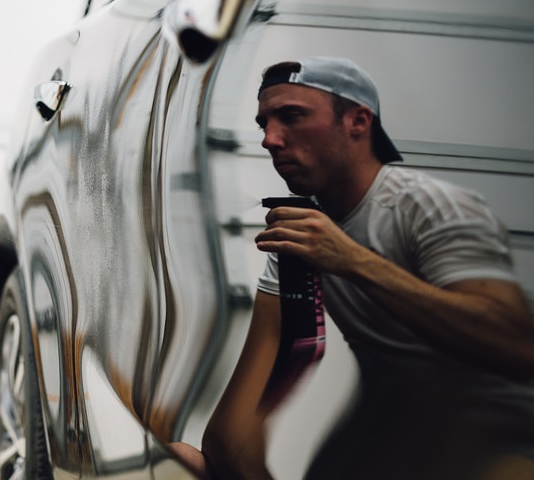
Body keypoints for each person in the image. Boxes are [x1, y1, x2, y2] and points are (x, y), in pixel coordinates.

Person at [175, 57, 534, 479]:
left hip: (502, 436)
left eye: (292, 116)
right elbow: (233, 429)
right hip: (399, 425)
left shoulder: (428, 205)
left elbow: (518, 348)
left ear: (358, 122)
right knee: (184, 460)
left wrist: (350, 260)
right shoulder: (303, 235)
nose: (270, 139)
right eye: (264, 124)